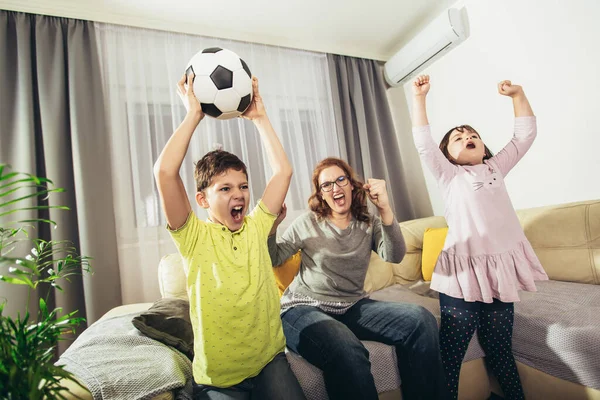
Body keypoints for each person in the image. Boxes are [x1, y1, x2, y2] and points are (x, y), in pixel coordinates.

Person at [154, 72, 306, 400]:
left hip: (269, 361)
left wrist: (260, 117)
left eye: (243, 186)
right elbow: (165, 173)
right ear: (203, 199)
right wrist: (193, 114)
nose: (238, 194)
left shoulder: (256, 226)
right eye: (225, 188)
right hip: (219, 379)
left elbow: (284, 172)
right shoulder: (193, 237)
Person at [410, 74, 549, 400]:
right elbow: (423, 143)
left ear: (483, 147)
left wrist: (518, 95)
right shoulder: (449, 174)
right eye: (458, 138)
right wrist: (419, 99)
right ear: (446, 155)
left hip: (498, 274)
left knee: (500, 349)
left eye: (472, 135)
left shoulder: (496, 167)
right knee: (451, 354)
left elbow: (524, 136)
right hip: (461, 277)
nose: (467, 137)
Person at [268, 157, 448, 400]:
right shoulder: (307, 223)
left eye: (340, 179)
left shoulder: (367, 223)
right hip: (303, 307)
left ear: (351, 185)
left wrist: (384, 208)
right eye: (327, 185)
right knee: (347, 348)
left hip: (351, 305)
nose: (335, 188)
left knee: (421, 320)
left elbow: (394, 255)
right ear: (321, 194)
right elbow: (273, 257)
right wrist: (272, 226)